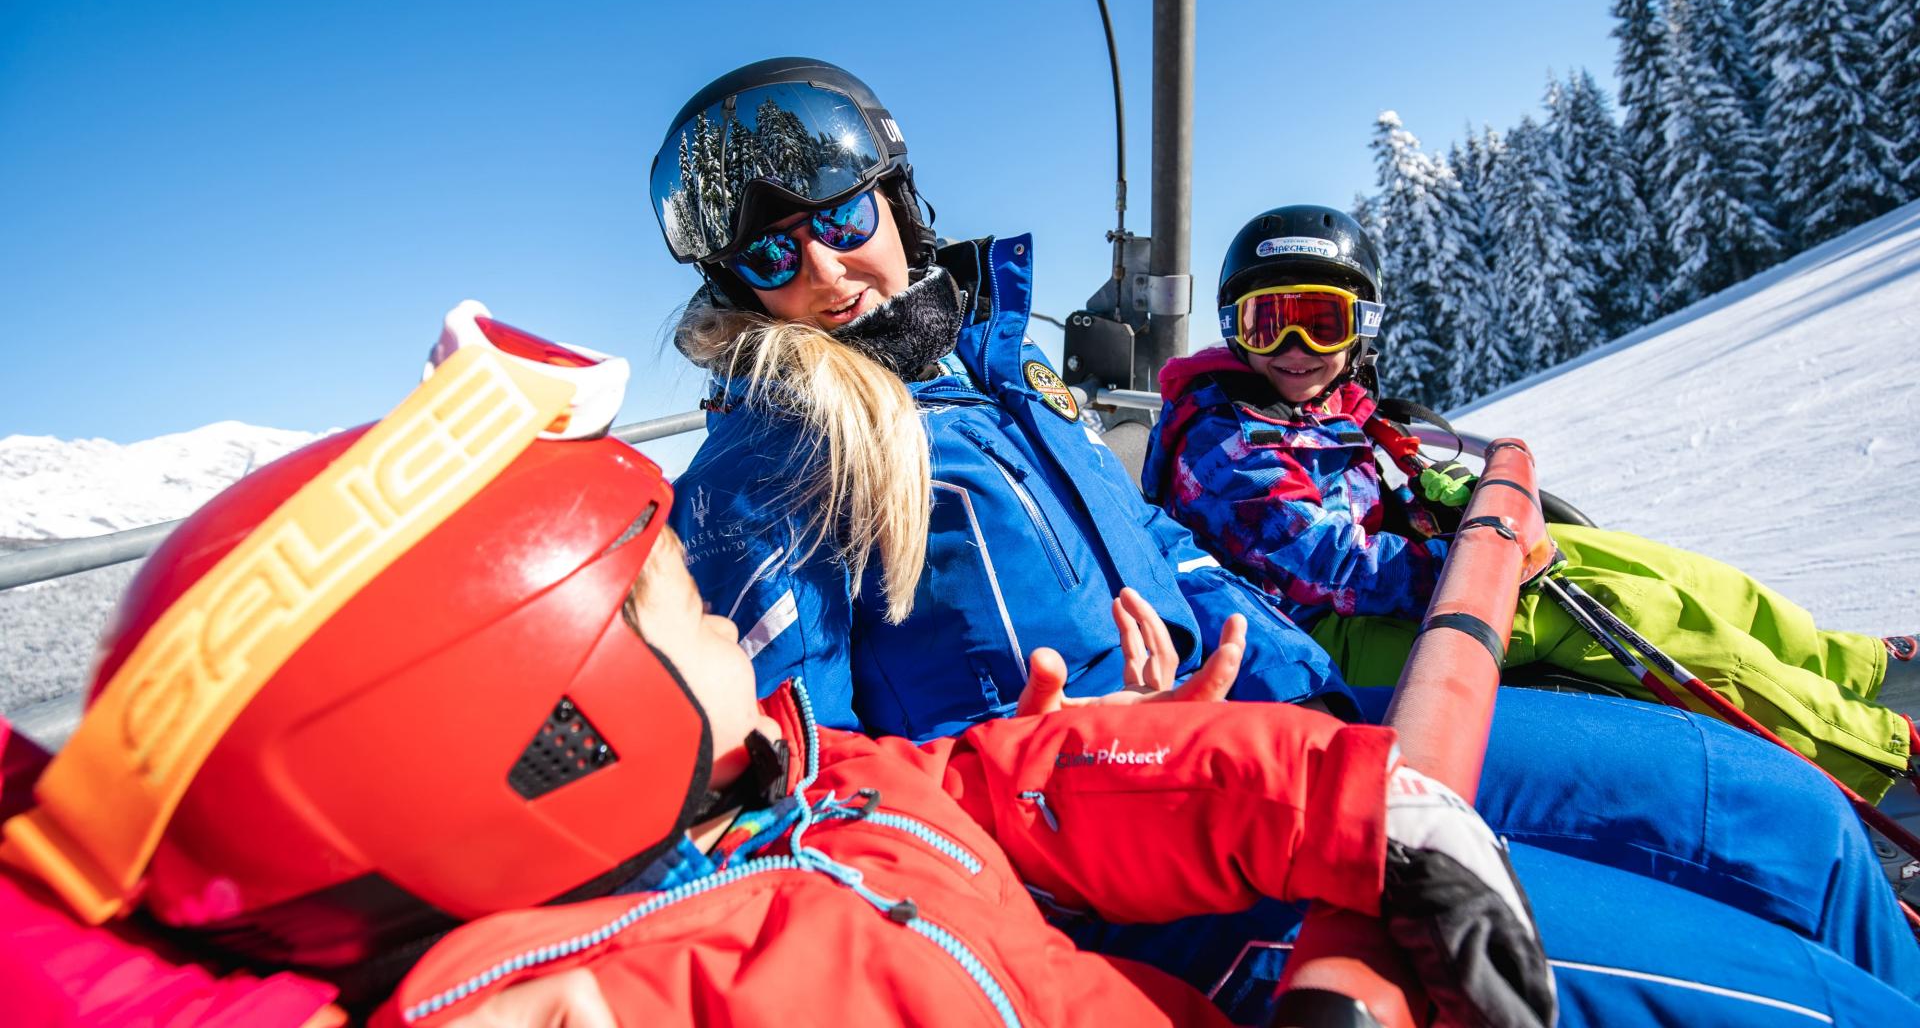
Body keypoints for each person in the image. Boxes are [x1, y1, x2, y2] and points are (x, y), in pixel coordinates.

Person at [650, 59, 1920, 996]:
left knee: (1779, 817)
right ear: (735, 287)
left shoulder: (993, 382)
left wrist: (1325, 705)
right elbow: (797, 788)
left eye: (842, 217)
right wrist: (1059, 754)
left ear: (900, 200)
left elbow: (1180, 558)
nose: (825, 268)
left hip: (1288, 750)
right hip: (1146, 894)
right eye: (775, 255)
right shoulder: (772, 460)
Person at [0, 330, 1561, 1028]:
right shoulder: (585, 1004)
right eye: (679, 601)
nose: (739, 633)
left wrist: (1348, 802)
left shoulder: (792, 783)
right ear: (560, 722)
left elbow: (1004, 785)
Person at [1142, 203, 1917, 804]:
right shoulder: (1223, 438)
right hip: (1310, 643)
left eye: (1321, 322)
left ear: (1363, 326)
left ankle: (1846, 664)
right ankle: (1875, 752)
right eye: (1267, 323)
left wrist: (1460, 504)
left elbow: (1379, 489)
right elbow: (1327, 562)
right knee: (1601, 607)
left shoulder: (1318, 409)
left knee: (1631, 563)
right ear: (1234, 330)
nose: (1294, 351)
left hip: (1378, 597)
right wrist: (1484, 560)